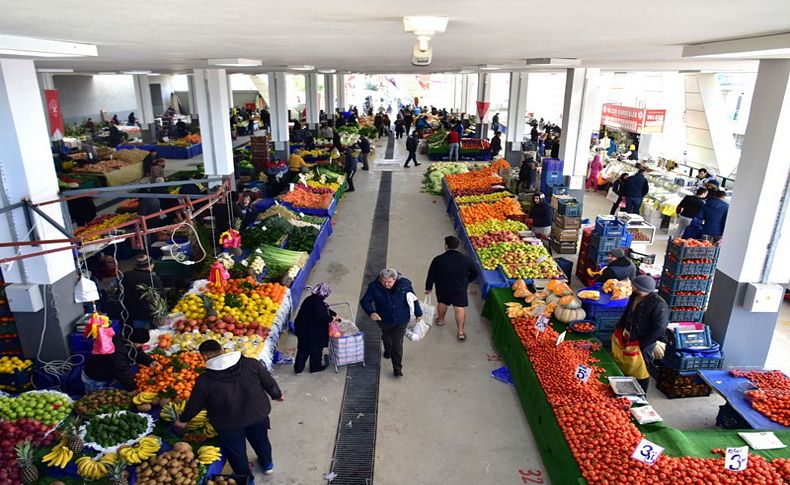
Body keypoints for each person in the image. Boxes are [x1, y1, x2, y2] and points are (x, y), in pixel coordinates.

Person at [176, 340, 283, 477]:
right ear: (222, 349)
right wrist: (276, 394)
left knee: (236, 452)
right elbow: (268, 381)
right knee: (261, 441)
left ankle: (245, 478)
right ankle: (267, 465)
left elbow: (195, 403)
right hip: (257, 414)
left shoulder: (205, 380)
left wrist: (183, 419)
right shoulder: (250, 363)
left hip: (228, 422)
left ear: (205, 357)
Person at [361, 269, 422, 377]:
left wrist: (418, 313)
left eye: (389, 282)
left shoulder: (405, 285)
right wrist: (371, 312)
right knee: (386, 335)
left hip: (401, 320)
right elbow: (365, 301)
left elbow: (413, 299)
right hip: (383, 319)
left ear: (395, 279)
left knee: (397, 343)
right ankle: (387, 350)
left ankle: (397, 368)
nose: (386, 284)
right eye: (384, 281)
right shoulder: (374, 287)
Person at [614, 275, 669, 392]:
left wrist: (642, 344)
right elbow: (627, 313)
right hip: (629, 335)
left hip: (643, 342)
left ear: (639, 287)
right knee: (628, 363)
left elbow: (659, 328)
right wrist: (619, 328)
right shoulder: (634, 296)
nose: (630, 286)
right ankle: (625, 387)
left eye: (633, 284)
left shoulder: (658, 305)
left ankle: (641, 393)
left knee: (641, 368)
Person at [424, 236, 479, 340]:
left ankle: (440, 320)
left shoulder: (438, 259)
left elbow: (431, 274)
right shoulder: (466, 259)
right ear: (457, 246)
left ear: (446, 246)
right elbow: (475, 273)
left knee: (442, 303)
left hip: (443, 287)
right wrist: (467, 281)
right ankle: (461, 332)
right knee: (459, 307)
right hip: (459, 288)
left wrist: (428, 287)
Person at [82, 328, 156, 393]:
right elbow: (121, 371)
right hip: (96, 377)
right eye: (141, 343)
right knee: (95, 398)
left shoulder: (128, 340)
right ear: (133, 341)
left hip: (109, 373)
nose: (142, 345)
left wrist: (150, 361)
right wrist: (131, 388)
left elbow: (137, 353)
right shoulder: (117, 350)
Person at [293, 283, 334, 374]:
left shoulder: (309, 299)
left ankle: (298, 368)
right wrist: (331, 318)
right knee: (316, 349)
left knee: (303, 349)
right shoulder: (319, 304)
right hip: (312, 332)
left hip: (302, 329)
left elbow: (323, 311)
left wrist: (333, 314)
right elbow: (321, 318)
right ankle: (315, 367)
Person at [121, 255, 164, 328]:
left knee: (139, 334)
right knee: (155, 333)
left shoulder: (126, 275)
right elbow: (161, 296)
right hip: (150, 313)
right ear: (149, 265)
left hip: (133, 312)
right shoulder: (153, 279)